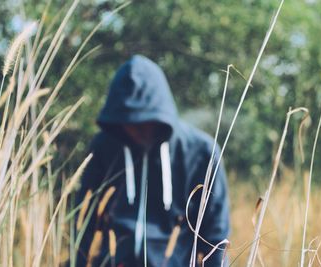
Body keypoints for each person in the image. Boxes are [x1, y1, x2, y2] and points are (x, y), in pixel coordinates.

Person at [75, 55, 229, 267]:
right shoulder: (105, 147)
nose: (138, 128)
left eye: (145, 119)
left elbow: (216, 236)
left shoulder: (200, 152)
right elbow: (85, 219)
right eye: (130, 121)